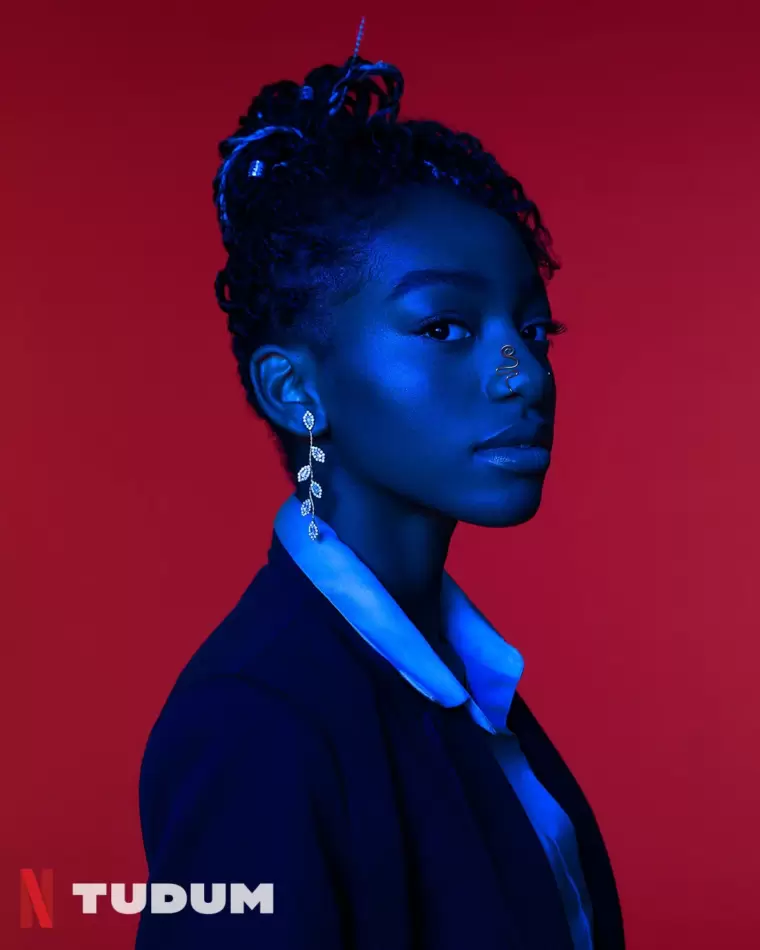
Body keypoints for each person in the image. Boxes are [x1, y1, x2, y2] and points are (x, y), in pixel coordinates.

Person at [135, 32, 626, 950]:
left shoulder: (463, 681)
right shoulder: (257, 722)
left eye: (533, 329)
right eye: (446, 327)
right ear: (294, 388)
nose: (524, 375)